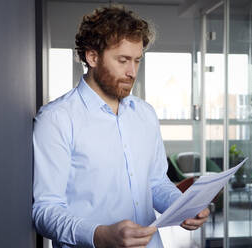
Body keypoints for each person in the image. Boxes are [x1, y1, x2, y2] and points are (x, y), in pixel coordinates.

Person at [33, 5, 210, 248]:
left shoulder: (145, 114)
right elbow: (45, 210)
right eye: (123, 60)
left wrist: (181, 208)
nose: (132, 72)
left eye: (137, 60)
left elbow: (156, 183)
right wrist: (99, 235)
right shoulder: (56, 119)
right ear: (92, 57)